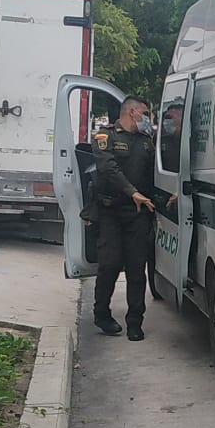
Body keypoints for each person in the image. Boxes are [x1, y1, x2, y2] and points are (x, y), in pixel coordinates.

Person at [90, 95, 170, 341]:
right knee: (110, 264)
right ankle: (102, 314)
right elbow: (108, 168)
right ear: (133, 112)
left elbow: (154, 175)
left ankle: (135, 321)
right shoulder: (106, 137)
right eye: (145, 113)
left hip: (138, 213)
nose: (148, 119)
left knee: (137, 268)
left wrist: (167, 195)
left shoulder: (147, 142)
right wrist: (131, 192)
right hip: (111, 211)